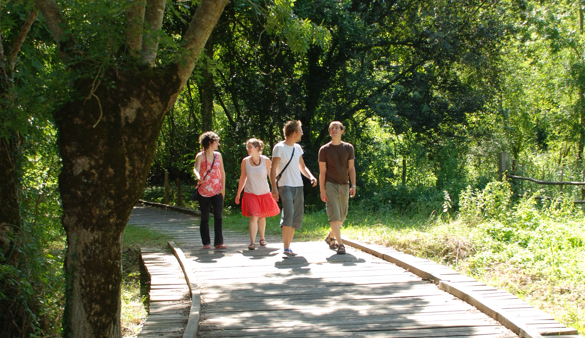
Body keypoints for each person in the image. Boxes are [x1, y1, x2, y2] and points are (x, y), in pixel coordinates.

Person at [270, 120, 317, 256]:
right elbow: (273, 169)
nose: (302, 133)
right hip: (285, 186)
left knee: (296, 217)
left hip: (298, 186)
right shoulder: (279, 147)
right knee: (289, 214)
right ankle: (285, 247)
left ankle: (288, 246)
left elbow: (302, 167)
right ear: (293, 133)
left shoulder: (297, 148)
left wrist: (311, 177)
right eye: (300, 130)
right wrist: (274, 187)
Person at [235, 138, 280, 250]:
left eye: (250, 147)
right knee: (253, 216)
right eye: (247, 147)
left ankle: (262, 238)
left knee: (262, 216)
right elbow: (242, 178)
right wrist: (238, 193)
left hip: (264, 193)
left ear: (257, 148)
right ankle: (252, 242)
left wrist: (275, 189)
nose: (248, 149)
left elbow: (271, 176)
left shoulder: (265, 160)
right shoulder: (245, 161)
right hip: (250, 193)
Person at [319, 121, 356, 254]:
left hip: (344, 184)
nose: (334, 130)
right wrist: (322, 190)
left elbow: (351, 168)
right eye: (331, 129)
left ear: (342, 131)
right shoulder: (324, 150)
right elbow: (322, 172)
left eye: (336, 128)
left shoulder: (348, 148)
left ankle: (330, 237)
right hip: (330, 184)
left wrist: (353, 185)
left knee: (342, 216)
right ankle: (341, 245)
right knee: (334, 214)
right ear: (329, 132)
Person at [193, 131, 227, 250]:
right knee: (205, 217)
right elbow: (196, 169)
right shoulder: (200, 156)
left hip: (217, 190)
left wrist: (223, 188)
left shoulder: (218, 155)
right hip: (203, 191)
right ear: (209, 142)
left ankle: (219, 242)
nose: (218, 143)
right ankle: (206, 243)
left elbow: (222, 172)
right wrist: (198, 177)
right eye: (216, 141)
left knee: (218, 216)